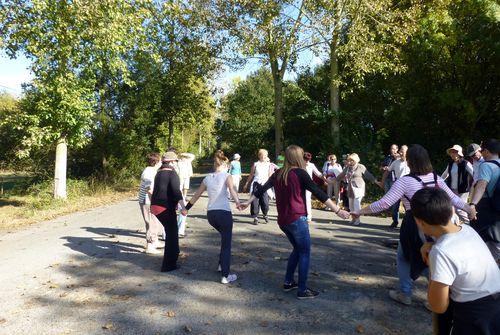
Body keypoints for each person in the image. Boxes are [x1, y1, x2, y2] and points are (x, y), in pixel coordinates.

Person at [351, 145, 476, 306]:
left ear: (409, 162)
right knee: (436, 258)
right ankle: (436, 300)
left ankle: (405, 293)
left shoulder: (405, 182)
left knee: (404, 257)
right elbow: (453, 198)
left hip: (416, 223)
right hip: (440, 224)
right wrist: (469, 209)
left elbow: (384, 203)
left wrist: (359, 211)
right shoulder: (436, 178)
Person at [240, 145, 350, 299]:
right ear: (298, 157)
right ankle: (302, 290)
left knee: (297, 250)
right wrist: (338, 210)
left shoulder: (278, 173)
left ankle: (288, 282)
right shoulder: (300, 173)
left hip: (283, 221)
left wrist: (248, 202)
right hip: (297, 219)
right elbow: (318, 193)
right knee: (304, 252)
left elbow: (261, 189)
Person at [412, 188, 500, 335]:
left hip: (475, 317)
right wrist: (433, 246)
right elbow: (456, 250)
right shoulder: (467, 230)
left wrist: (433, 265)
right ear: (451, 210)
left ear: (420, 222)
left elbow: (438, 306)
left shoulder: (440, 252)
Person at [184, 150, 241, 284]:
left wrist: (186, 209)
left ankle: (222, 264)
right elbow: (232, 190)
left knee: (224, 238)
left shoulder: (207, 178)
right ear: (225, 165)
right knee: (226, 243)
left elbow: (196, 195)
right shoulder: (227, 176)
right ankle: (225, 276)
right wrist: (238, 203)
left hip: (211, 215)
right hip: (224, 213)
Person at [150, 151, 187, 272]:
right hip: (164, 207)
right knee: (172, 234)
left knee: (170, 231)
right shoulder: (172, 174)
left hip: (155, 206)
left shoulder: (159, 172)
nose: (176, 164)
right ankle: (168, 265)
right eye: (175, 161)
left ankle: (173, 256)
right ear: (171, 162)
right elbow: (177, 192)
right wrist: (183, 207)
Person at [469, 139, 500, 263]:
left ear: (486, 151)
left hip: (488, 208)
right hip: (498, 207)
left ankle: (490, 270)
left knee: (485, 240)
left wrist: (472, 204)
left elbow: (481, 186)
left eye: (482, 150)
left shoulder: (486, 166)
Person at [336, 153, 382, 226]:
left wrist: (376, 182)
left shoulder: (360, 167)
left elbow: (368, 175)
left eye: (352, 160)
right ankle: (353, 218)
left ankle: (357, 220)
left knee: (356, 203)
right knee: (351, 204)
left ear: (356, 160)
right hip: (350, 187)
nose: (350, 162)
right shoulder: (347, 167)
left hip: (359, 187)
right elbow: (341, 175)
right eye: (349, 160)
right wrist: (334, 180)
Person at [138, 153, 164, 254]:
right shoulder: (149, 172)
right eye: (160, 160)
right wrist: (155, 201)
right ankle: (150, 246)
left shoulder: (152, 171)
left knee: (154, 221)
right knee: (151, 222)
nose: (162, 162)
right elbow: (149, 189)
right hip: (148, 201)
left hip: (149, 200)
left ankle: (155, 241)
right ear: (156, 162)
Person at [441, 145, 473, 223]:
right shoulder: (451, 164)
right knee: (453, 209)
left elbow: (473, 173)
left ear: (459, 153)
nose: (452, 154)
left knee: (460, 209)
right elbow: (445, 174)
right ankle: (458, 225)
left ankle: (469, 223)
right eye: (451, 152)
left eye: (454, 152)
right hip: (452, 189)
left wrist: (475, 184)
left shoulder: (466, 163)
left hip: (462, 190)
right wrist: (439, 182)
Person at [382, 145, 410, 228]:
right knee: (395, 205)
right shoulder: (395, 162)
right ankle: (395, 221)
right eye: (400, 151)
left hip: (408, 187)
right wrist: (382, 182)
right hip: (397, 186)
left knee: (408, 206)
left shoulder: (411, 162)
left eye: (403, 151)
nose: (400, 152)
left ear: (407, 153)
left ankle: (409, 222)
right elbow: (387, 171)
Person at [243, 149, 273, 225]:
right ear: (259, 156)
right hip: (256, 184)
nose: (264, 157)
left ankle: (265, 214)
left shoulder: (269, 164)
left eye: (266, 155)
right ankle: (255, 217)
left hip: (265, 184)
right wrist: (246, 183)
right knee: (254, 201)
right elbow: (251, 175)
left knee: (265, 201)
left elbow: (270, 175)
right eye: (263, 155)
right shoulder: (255, 164)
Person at [304, 152, 324, 223]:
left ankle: (309, 216)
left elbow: (318, 173)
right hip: (299, 184)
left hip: (308, 184)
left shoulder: (311, 165)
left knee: (307, 200)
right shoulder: (299, 164)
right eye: (305, 159)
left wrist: (324, 177)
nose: (306, 161)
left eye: (308, 160)